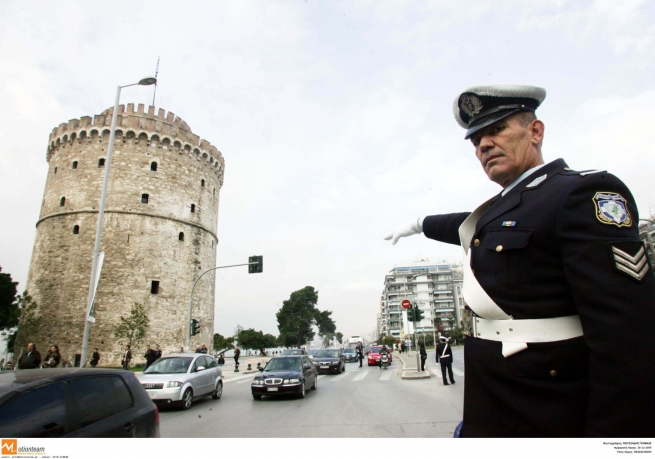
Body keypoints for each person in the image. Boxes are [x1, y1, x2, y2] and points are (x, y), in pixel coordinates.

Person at [384, 84, 655, 437]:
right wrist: (417, 224)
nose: (483, 145)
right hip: (495, 405)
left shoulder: (580, 193)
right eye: (476, 139)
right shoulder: (506, 207)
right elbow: (468, 225)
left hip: (548, 409)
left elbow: (628, 341)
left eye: (496, 130)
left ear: (535, 132)